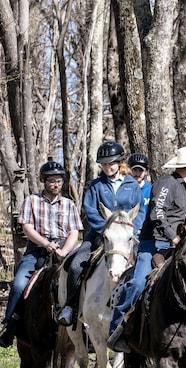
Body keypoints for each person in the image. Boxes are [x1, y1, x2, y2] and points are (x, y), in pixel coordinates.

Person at [107, 145, 186, 353]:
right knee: (138, 283)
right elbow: (156, 215)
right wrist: (174, 237)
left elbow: (180, 221)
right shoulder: (166, 184)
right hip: (153, 244)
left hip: (179, 246)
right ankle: (117, 330)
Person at [56, 140, 143, 326]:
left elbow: (140, 210)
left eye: (111, 163)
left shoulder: (132, 185)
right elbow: (90, 210)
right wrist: (106, 228)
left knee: (146, 265)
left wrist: (132, 228)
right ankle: (70, 307)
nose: (107, 167)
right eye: (103, 164)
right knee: (76, 264)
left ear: (119, 162)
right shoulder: (95, 186)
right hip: (99, 236)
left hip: (128, 237)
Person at [0, 161, 81, 347]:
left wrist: (64, 250)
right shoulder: (32, 201)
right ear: (44, 181)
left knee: (79, 281)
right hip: (37, 249)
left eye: (58, 181)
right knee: (19, 284)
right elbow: (27, 227)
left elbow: (74, 231)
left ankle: (83, 329)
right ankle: (9, 326)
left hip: (64, 249)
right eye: (51, 181)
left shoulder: (69, 204)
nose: (55, 185)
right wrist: (46, 244)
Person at [127, 152, 152, 219]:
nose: (137, 174)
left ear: (146, 172)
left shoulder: (151, 189)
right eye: (135, 170)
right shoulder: (124, 188)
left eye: (141, 170)